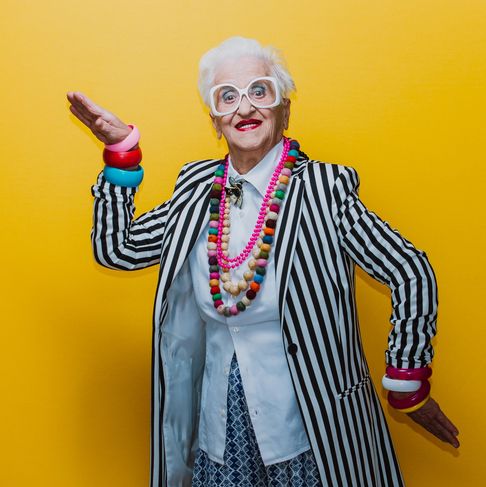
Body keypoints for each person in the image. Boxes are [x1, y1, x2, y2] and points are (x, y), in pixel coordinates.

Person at [67, 36, 459, 487]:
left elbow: (410, 270)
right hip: (220, 434)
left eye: (260, 90)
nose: (244, 106)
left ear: (284, 111)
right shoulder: (196, 191)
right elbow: (118, 248)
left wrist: (407, 377)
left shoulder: (324, 191)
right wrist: (122, 152)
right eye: (227, 96)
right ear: (215, 122)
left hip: (312, 431)